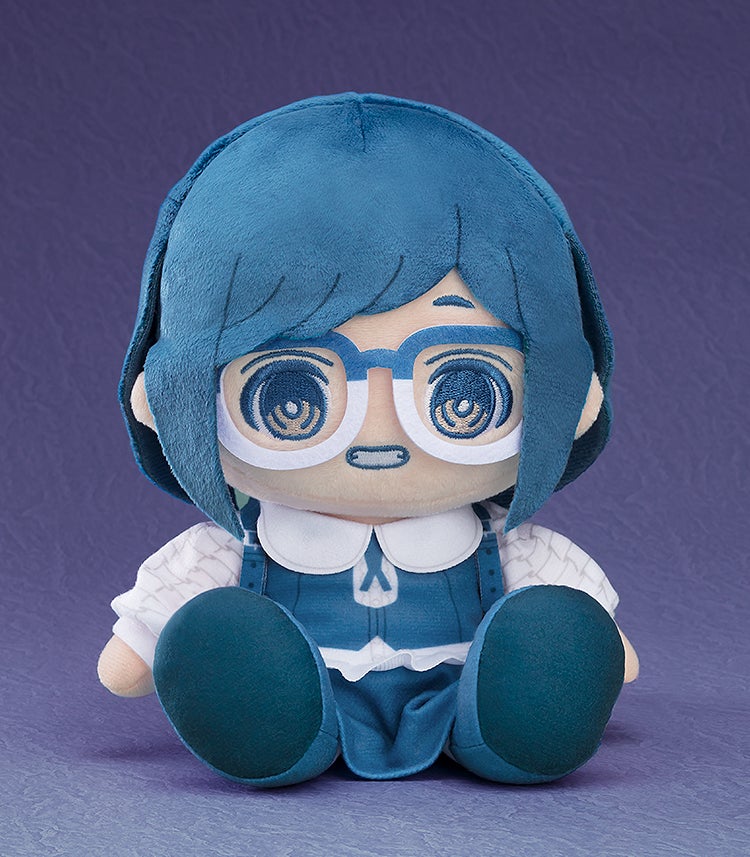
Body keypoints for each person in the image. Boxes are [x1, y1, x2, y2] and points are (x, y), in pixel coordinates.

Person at [98, 93, 638, 786]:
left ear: (571, 397)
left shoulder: (505, 545)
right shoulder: (230, 550)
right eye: (291, 394)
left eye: (462, 390)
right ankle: (267, 720)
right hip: (305, 696)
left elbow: (592, 639)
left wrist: (575, 648)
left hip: (462, 695)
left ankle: (513, 725)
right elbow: (131, 657)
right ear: (168, 397)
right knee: (218, 634)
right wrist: (156, 645)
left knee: (549, 628)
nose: (378, 433)